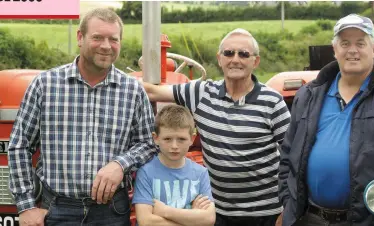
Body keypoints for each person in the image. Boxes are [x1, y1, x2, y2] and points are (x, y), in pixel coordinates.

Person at [8, 8, 158, 226]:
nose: (106, 46)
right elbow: (19, 145)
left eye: (113, 39)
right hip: (56, 210)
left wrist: (120, 164)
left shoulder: (133, 91)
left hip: (111, 212)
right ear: (80, 37)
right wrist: (26, 206)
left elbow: (147, 144)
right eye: (97, 37)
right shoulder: (45, 85)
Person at [278, 13, 374, 226]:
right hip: (310, 218)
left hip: (369, 220)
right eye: (345, 43)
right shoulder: (309, 94)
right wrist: (288, 201)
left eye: (361, 43)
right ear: (335, 50)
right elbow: (287, 155)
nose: (352, 50)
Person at [142, 28, 290, 226]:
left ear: (255, 61)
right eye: (229, 53)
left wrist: (287, 209)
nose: (235, 59)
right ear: (219, 59)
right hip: (218, 213)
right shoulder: (202, 93)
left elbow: (294, 156)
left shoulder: (272, 101)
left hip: (266, 213)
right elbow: (152, 91)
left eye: (243, 54)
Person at [132, 104, 216, 226]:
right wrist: (192, 218)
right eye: (167, 139)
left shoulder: (200, 173)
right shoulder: (145, 172)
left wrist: (165, 211)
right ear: (156, 138)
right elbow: (146, 221)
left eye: (181, 139)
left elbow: (209, 219)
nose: (174, 146)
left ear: (192, 138)